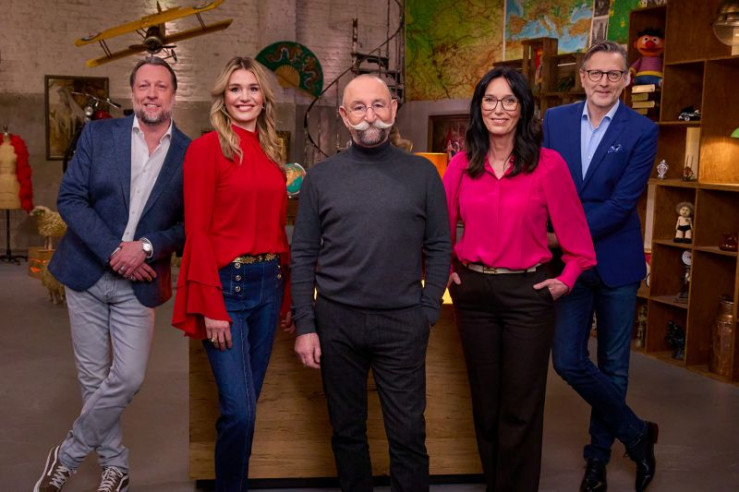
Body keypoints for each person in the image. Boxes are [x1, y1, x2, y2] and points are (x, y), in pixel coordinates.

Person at [35, 56, 190, 492]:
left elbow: (189, 224)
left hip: (139, 281)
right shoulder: (100, 135)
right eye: (144, 86)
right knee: (92, 377)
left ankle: (67, 454)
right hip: (86, 270)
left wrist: (146, 248)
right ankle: (115, 467)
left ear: (173, 95)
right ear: (133, 92)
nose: (152, 94)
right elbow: (70, 198)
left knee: (128, 377)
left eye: (161, 86)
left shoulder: (190, 153)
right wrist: (112, 250)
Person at [291, 74, 451, 492]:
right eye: (359, 108)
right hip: (337, 322)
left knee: (408, 434)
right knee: (347, 432)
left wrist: (428, 309)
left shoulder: (422, 174)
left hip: (402, 322)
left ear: (393, 109)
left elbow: (439, 245)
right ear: (344, 116)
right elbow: (303, 253)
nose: (370, 116)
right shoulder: (321, 178)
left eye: (379, 105)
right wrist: (306, 324)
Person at [443, 65, 596, 492]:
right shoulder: (460, 166)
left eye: (509, 100)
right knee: (486, 405)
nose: (499, 108)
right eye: (490, 100)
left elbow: (579, 243)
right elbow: (438, 231)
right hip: (474, 294)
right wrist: (444, 270)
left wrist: (566, 278)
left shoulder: (548, 166)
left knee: (521, 408)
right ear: (479, 108)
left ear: (523, 108)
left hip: (527, 294)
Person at [542, 40, 660, 492]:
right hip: (569, 264)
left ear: (626, 79)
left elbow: (621, 203)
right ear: (583, 77)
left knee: (614, 364)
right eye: (595, 73)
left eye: (613, 74)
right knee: (567, 359)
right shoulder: (555, 121)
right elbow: (542, 185)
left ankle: (597, 460)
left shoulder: (642, 130)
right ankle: (636, 432)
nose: (603, 82)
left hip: (616, 261)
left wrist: (562, 231)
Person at [171, 56, 293, 491]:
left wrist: (287, 296)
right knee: (238, 411)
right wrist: (210, 305)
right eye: (235, 89)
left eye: (253, 88)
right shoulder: (206, 150)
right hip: (228, 290)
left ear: (264, 98)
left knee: (248, 407)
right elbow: (197, 233)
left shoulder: (272, 152)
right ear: (222, 97)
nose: (244, 97)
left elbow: (276, 229)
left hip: (268, 288)